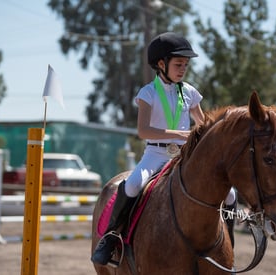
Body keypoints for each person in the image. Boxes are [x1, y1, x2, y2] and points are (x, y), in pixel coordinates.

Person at [91, 32, 237, 266]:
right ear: (161, 64)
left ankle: (228, 243)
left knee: (230, 194)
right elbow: (144, 131)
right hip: (155, 154)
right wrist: (179, 134)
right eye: (178, 64)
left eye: (186, 65)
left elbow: (203, 125)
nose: (183, 69)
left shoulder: (189, 92)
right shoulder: (148, 93)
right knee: (133, 185)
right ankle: (111, 238)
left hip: (183, 157)